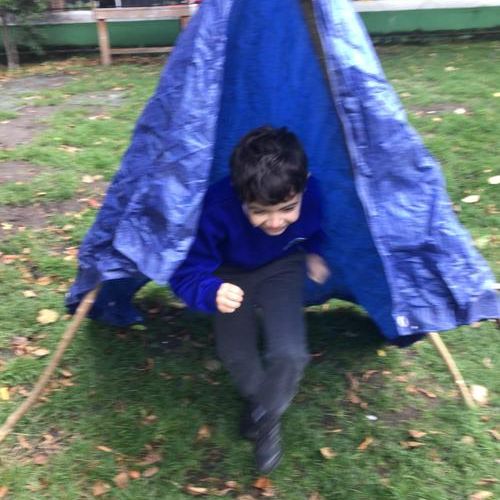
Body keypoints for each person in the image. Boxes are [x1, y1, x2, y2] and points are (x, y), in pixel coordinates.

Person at [169, 125, 329, 474]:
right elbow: (184, 271)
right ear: (240, 195)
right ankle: (262, 403)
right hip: (230, 275)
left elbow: (313, 227)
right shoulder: (218, 207)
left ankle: (267, 417)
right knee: (236, 353)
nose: (275, 222)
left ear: (302, 187)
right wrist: (211, 290)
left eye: (287, 208)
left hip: (282, 267)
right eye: (259, 211)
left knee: (289, 354)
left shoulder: (311, 193)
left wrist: (314, 252)